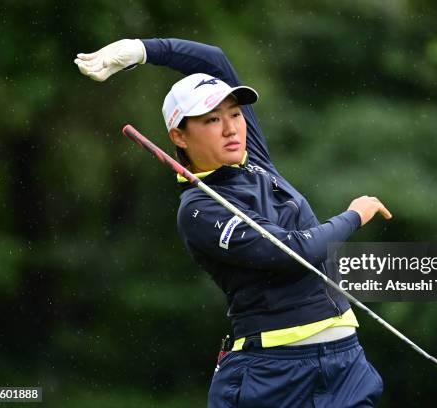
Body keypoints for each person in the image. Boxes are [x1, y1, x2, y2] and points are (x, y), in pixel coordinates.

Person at [75, 37, 392, 407]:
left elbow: (215, 60)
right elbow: (292, 252)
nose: (231, 129)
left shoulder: (252, 156)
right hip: (273, 374)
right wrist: (354, 215)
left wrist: (141, 50)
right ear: (178, 135)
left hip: (345, 363)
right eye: (212, 120)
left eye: (235, 115)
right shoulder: (198, 210)